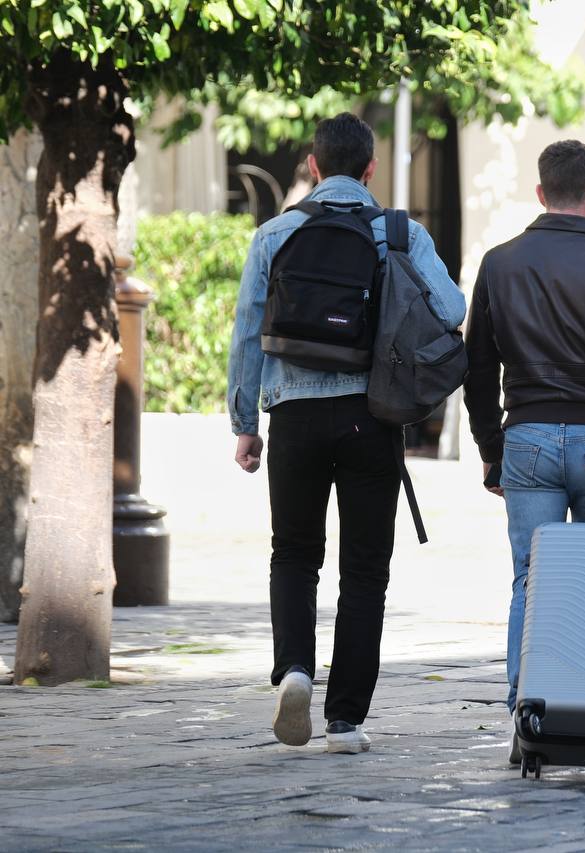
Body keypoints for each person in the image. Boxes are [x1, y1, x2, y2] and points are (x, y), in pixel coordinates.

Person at [227, 113, 466, 753]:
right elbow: (452, 308)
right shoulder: (399, 233)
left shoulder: (275, 234)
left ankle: (294, 670)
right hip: (371, 415)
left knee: (293, 553)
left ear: (313, 166)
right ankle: (345, 722)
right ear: (371, 168)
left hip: (294, 417)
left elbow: (247, 333)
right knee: (364, 572)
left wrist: (245, 424)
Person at [462, 139, 585, 764]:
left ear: (540, 192)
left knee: (531, 580)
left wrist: (492, 448)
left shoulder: (499, 263)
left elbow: (477, 366)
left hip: (527, 438)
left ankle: (527, 715)